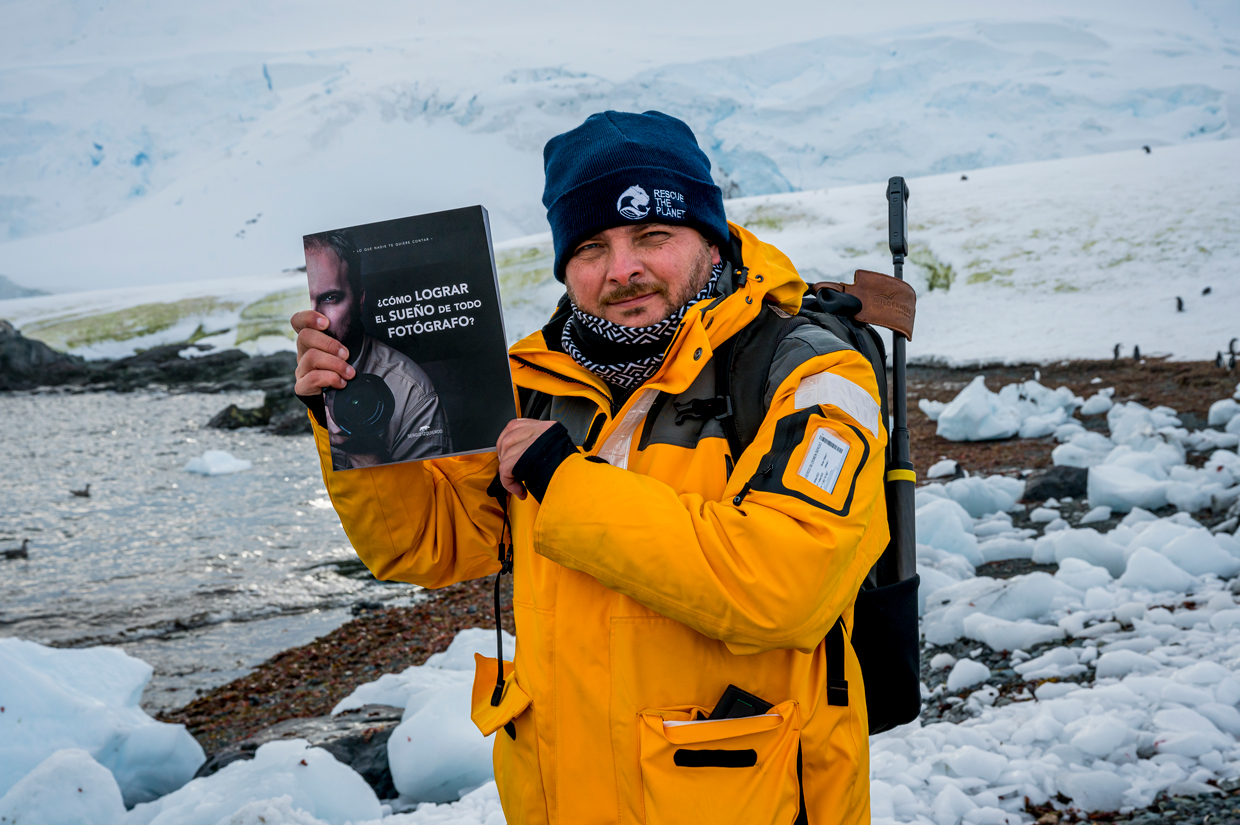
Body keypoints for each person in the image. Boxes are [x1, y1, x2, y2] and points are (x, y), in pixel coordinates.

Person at [292, 111, 888, 824]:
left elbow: (787, 583)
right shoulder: (531, 383)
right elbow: (424, 543)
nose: (621, 269)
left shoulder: (807, 372)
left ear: (710, 236)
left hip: (742, 797)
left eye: (652, 235)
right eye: (591, 246)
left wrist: (563, 479)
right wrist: (356, 423)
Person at [302, 230, 451, 469]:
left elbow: (426, 502)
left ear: (359, 300)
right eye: (304, 300)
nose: (316, 318)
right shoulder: (294, 377)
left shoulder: (411, 392)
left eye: (330, 298)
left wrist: (362, 449)